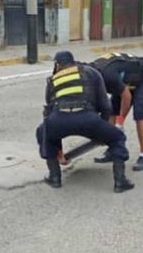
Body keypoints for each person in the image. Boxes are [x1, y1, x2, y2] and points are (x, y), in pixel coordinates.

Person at [36, 51, 135, 193]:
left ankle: (54, 177)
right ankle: (120, 181)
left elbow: (48, 113)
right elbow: (106, 106)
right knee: (117, 137)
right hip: (88, 118)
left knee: (43, 132)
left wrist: (59, 150)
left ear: (57, 64)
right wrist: (103, 128)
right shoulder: (91, 72)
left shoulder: (52, 80)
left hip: (59, 119)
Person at [90, 52, 143, 171]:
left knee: (140, 115)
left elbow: (126, 96)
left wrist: (120, 122)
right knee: (112, 111)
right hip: (126, 81)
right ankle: (113, 149)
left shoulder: (107, 75)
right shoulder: (93, 72)